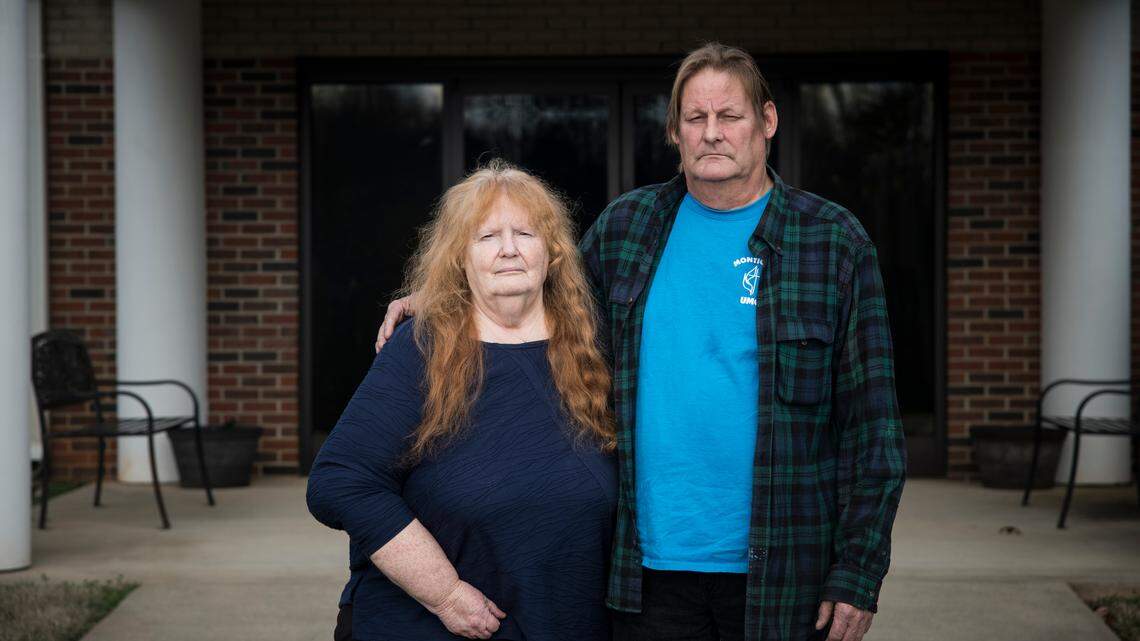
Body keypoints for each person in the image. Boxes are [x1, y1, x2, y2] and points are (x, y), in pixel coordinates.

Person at [378, 43, 906, 641]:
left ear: (767, 120)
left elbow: (874, 432)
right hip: (644, 569)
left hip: (787, 568)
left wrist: (858, 572)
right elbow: (539, 300)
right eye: (695, 118)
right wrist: (444, 301)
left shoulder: (833, 242)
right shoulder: (628, 229)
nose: (712, 133)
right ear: (675, 131)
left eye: (729, 116)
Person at [309, 160, 618, 641]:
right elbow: (341, 481)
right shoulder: (422, 347)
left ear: (553, 253)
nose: (509, 249)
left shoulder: (596, 346)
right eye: (487, 237)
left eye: (526, 234)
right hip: (434, 626)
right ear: (460, 258)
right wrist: (445, 593)